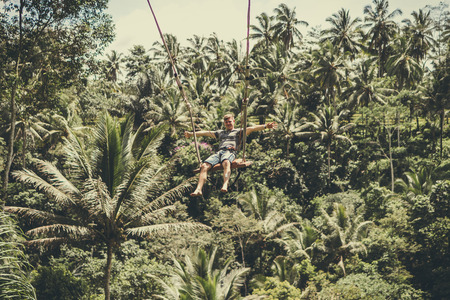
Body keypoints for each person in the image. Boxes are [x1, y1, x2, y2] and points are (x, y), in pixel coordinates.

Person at [184, 113, 277, 196]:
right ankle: (198, 189)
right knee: (204, 166)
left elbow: (252, 128)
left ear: (233, 121)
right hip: (219, 152)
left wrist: (265, 126)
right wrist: (191, 134)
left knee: (226, 162)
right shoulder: (220, 133)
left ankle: (225, 184)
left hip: (230, 151)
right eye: (226, 122)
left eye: (230, 122)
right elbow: (205, 133)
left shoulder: (238, 131)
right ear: (224, 123)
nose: (228, 123)